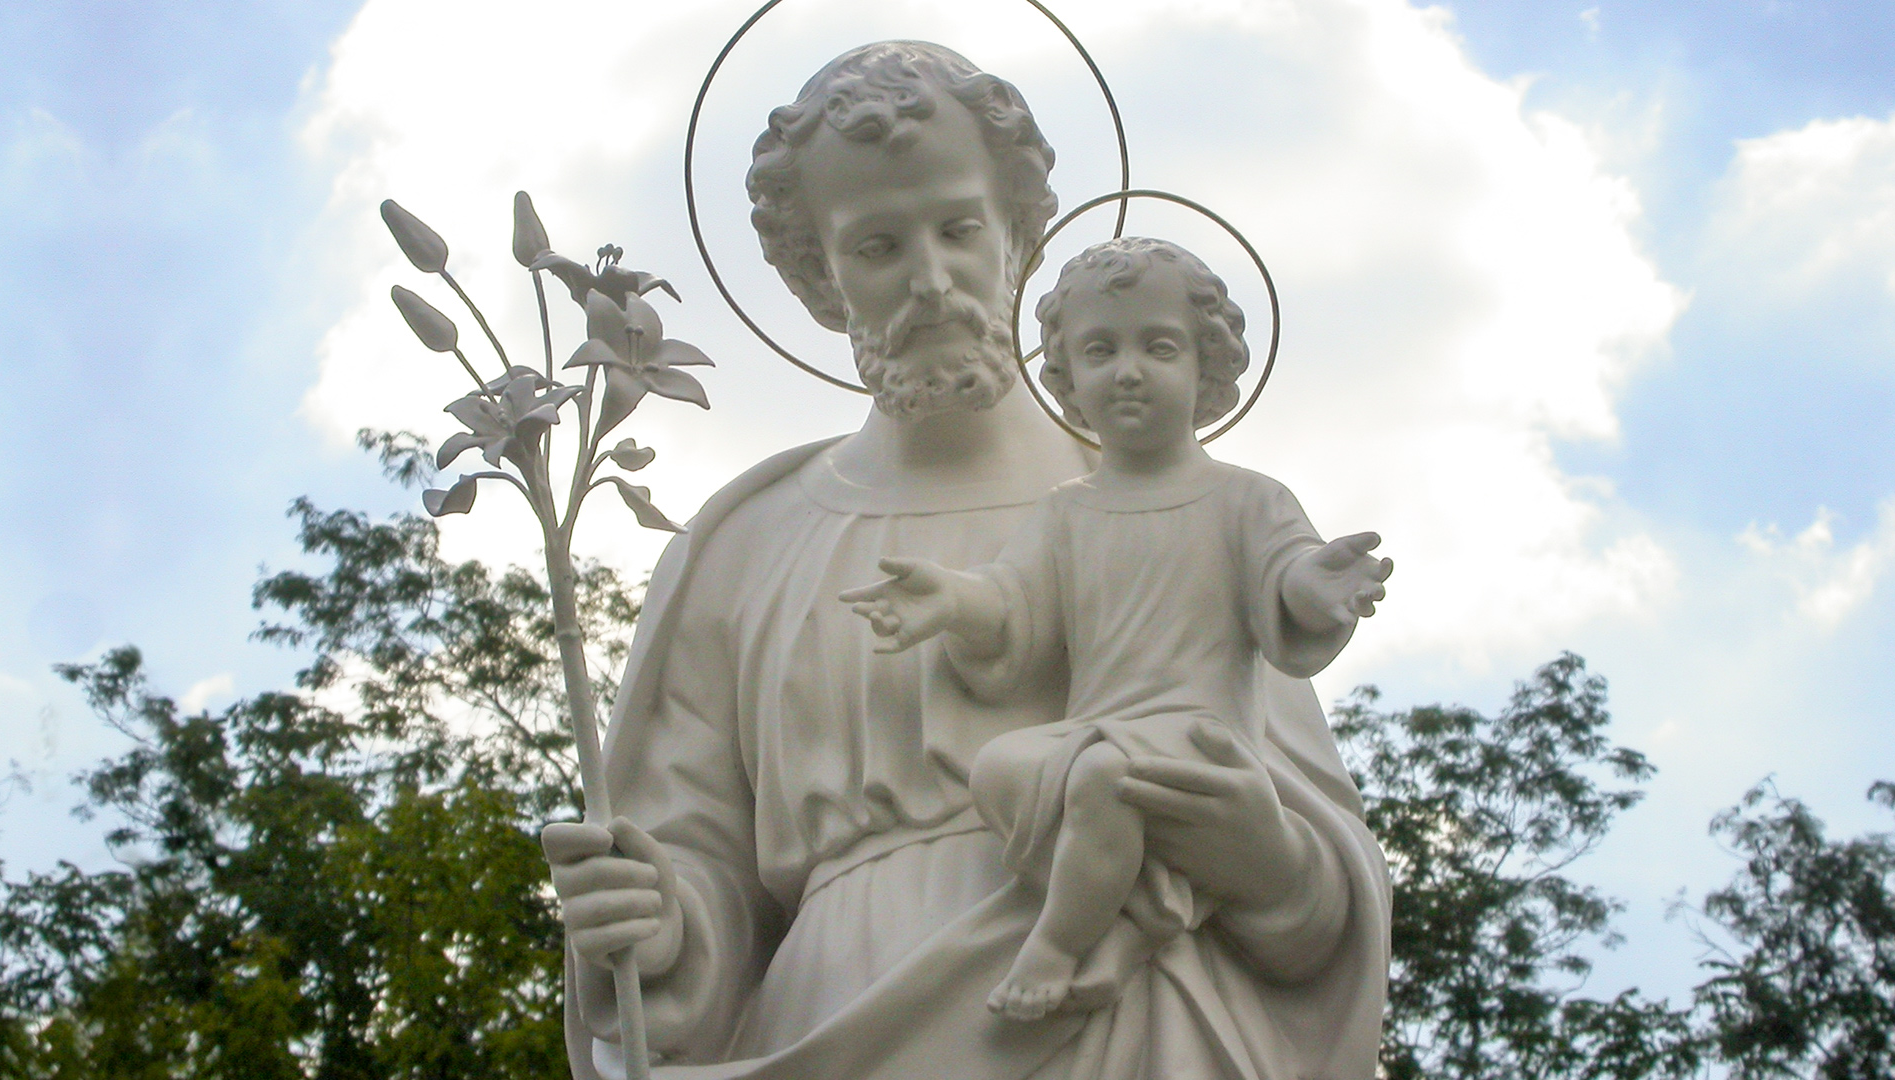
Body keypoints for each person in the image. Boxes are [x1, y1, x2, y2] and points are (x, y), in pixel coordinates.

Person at [542, 41, 1392, 1080]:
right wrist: (658, 925)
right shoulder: (744, 545)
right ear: (818, 277)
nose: (932, 281)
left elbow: (1314, 901)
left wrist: (1271, 865)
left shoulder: (1179, 503)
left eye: (959, 229)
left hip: (1139, 1026)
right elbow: (693, 878)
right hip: (837, 1026)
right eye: (878, 245)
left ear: (1021, 237)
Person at [840, 237, 1394, 1024]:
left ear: (1206, 365)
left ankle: (1058, 944)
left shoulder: (1245, 498)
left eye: (1157, 347)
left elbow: (1284, 576)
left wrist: (1317, 585)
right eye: (1100, 351)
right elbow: (1016, 604)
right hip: (1100, 731)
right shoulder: (1068, 511)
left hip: (1199, 739)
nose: (1128, 371)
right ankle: (1143, 917)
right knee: (999, 767)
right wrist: (953, 600)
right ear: (1068, 376)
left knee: (1103, 782)